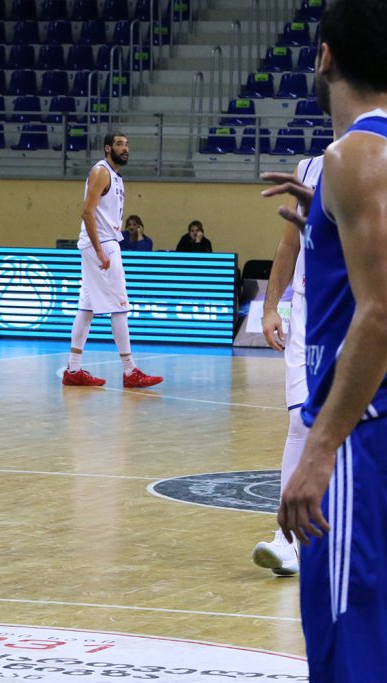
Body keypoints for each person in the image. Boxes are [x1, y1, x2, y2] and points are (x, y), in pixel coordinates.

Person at [261, 0, 387, 678]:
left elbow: (380, 315)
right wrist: (330, 219)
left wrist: (320, 448)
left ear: (326, 56)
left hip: (361, 439)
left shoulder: (353, 155)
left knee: (346, 650)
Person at [253, 154, 323, 577]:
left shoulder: (376, 157)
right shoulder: (307, 168)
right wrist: (270, 306)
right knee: (300, 421)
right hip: (309, 313)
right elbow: (289, 245)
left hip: (360, 312)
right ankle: (287, 540)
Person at [61, 133, 162, 388]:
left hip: (102, 243)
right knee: (120, 306)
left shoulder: (115, 175)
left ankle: (73, 369)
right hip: (102, 244)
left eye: (127, 144)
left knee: (86, 308)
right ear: (107, 148)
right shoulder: (101, 172)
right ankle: (130, 370)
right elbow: (87, 212)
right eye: (119, 144)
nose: (125, 148)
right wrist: (99, 251)